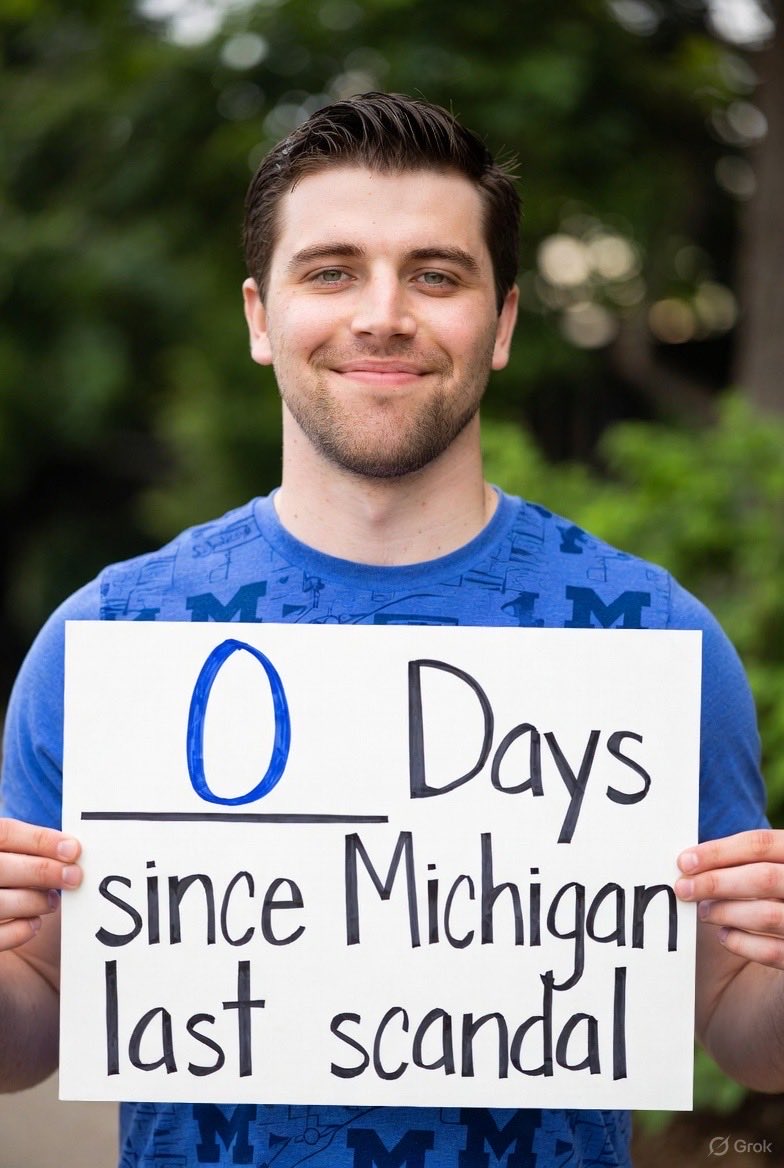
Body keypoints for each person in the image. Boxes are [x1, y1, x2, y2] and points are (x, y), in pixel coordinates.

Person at [0, 91, 781, 1168]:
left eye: (435, 273)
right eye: (330, 271)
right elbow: (24, 1040)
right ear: (259, 317)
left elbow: (746, 1034)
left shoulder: (649, 643)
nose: (382, 314)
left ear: (501, 323)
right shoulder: (108, 641)